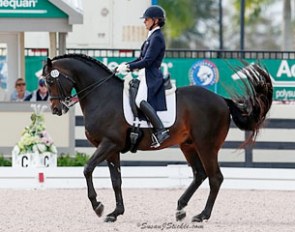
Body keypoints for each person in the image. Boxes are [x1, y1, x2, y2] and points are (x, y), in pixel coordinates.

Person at [116, 5, 169, 147]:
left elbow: (148, 61)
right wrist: (125, 65)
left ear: (156, 20)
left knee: (140, 100)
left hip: (150, 75)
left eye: (147, 19)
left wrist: (129, 67)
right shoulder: (150, 37)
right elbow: (140, 58)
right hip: (144, 74)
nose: (144, 21)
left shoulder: (157, 38)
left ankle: (160, 130)